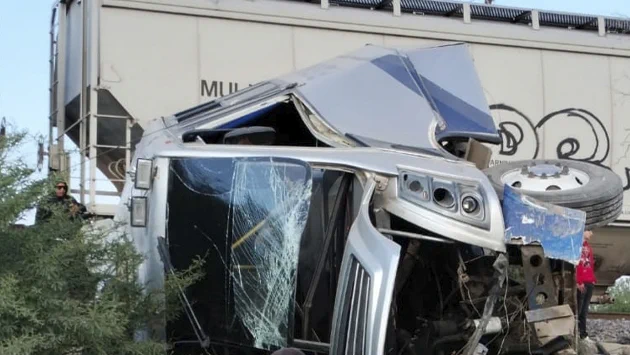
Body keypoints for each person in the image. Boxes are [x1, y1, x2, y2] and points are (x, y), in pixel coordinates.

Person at [576, 229, 596, 340]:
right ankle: (575, 332)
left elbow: (591, 263)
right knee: (578, 309)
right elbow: (576, 264)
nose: (591, 233)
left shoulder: (588, 246)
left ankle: (583, 333)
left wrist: (593, 279)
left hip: (589, 281)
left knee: (584, 310)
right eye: (589, 230)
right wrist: (578, 281)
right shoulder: (577, 245)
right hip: (582, 282)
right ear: (583, 231)